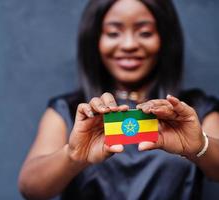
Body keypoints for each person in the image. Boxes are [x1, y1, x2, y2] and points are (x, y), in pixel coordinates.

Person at [18, 0, 219, 199]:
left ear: (164, 39)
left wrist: (200, 146)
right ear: (95, 39)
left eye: (145, 33)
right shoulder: (70, 110)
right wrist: (72, 156)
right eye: (113, 33)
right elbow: (31, 188)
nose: (129, 45)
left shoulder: (193, 111)